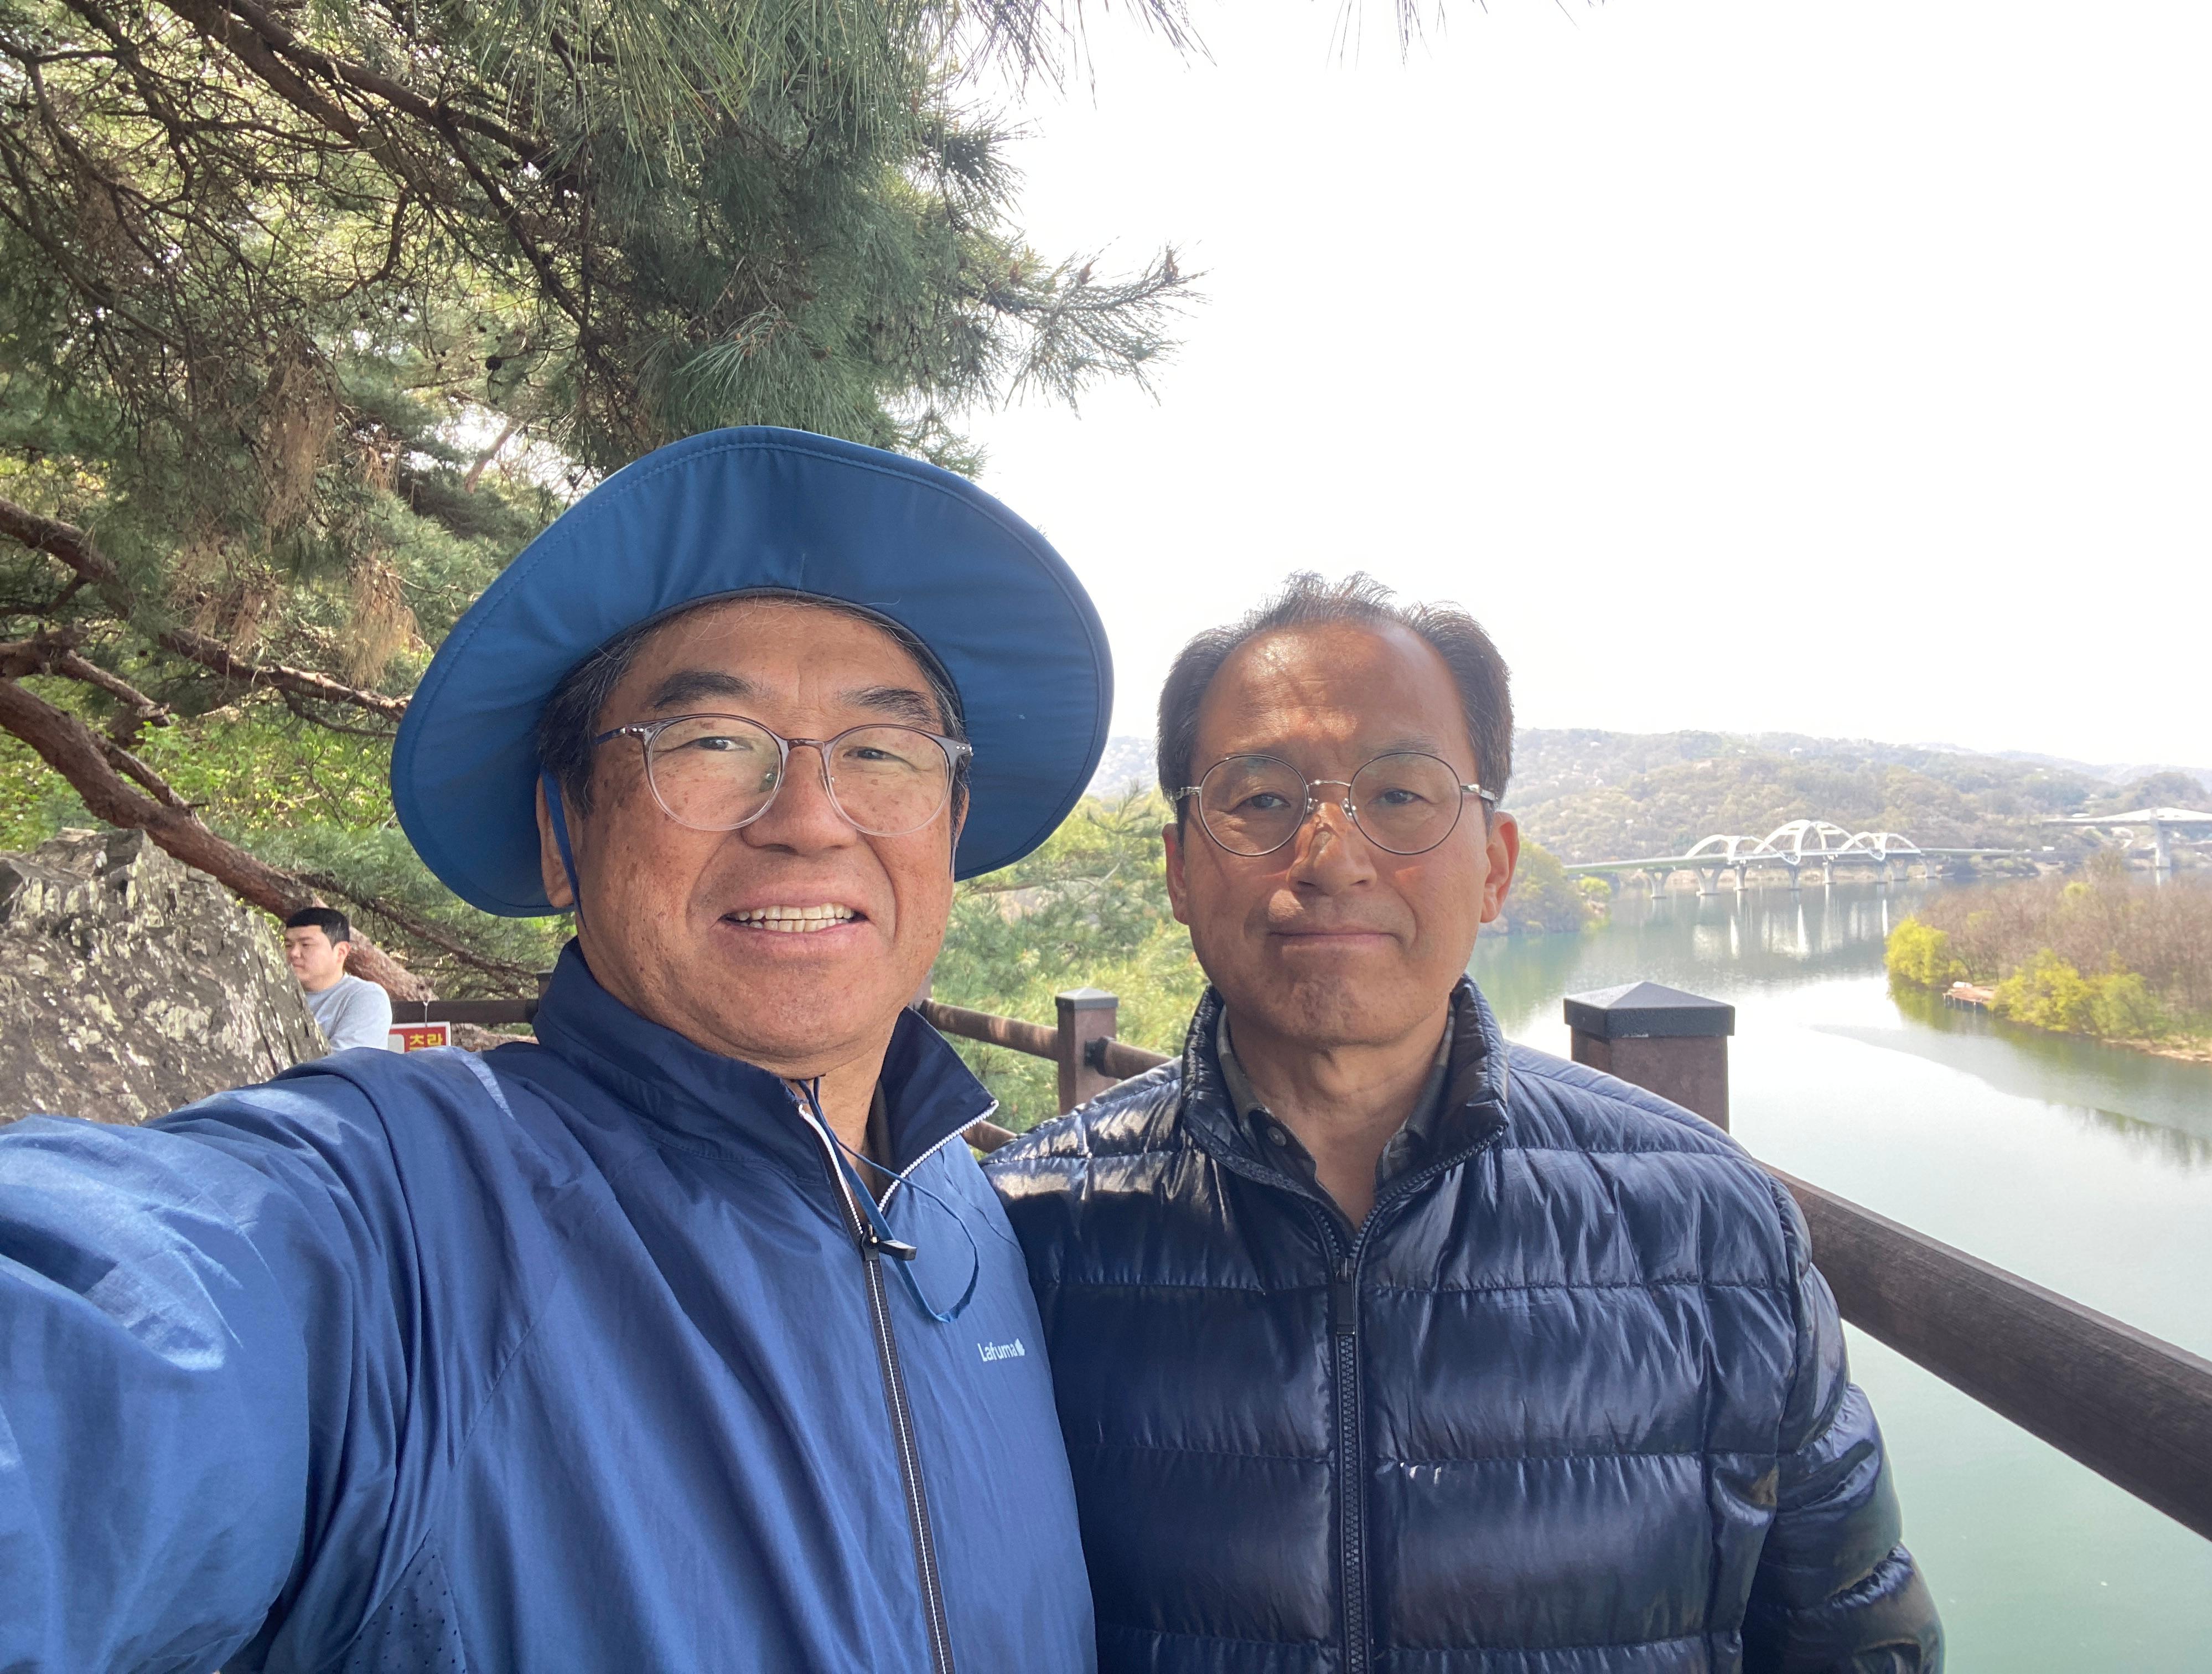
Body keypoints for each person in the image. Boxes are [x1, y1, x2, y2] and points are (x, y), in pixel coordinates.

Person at [0, 428, 1111, 1672]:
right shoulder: (404, 1217)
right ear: (558, 835)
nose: (809, 818)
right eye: (709, 742)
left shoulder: (969, 1213)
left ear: (950, 829)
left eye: (883, 753)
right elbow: (109, 1336)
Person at [987, 572, 1944, 1673]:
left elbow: (1855, 1640)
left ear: (1494, 865)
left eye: (1400, 794)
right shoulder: (1024, 1236)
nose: (1330, 854)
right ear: (1179, 870)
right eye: (1259, 799)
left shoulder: (1716, 1231)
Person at [281, 907, 395, 1051]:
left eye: (306, 945)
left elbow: (345, 1062)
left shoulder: (365, 997)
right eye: (288, 945)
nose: (294, 953)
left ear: (341, 952)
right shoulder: (273, 995)